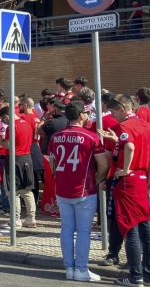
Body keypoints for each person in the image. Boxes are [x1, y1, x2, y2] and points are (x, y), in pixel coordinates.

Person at [99, 95, 150, 287]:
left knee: (130, 229)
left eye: (114, 112)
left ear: (123, 110)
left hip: (127, 182)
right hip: (141, 180)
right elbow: (147, 152)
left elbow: (131, 146)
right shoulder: (146, 126)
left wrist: (124, 169)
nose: (112, 116)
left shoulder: (125, 127)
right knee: (146, 229)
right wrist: (116, 140)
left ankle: (136, 277)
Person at [48, 101, 109, 282]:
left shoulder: (55, 137)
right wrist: (97, 177)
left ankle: (69, 268)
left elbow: (51, 162)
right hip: (84, 189)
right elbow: (104, 164)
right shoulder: (91, 137)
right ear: (81, 115)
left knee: (66, 229)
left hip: (62, 188)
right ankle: (81, 269)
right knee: (83, 231)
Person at [1, 106, 37, 228]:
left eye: (3, 120)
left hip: (14, 159)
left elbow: (9, 145)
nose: (3, 123)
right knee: (26, 190)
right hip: (26, 158)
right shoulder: (26, 124)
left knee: (12, 191)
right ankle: (31, 218)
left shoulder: (11, 127)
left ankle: (15, 219)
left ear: (6, 116)